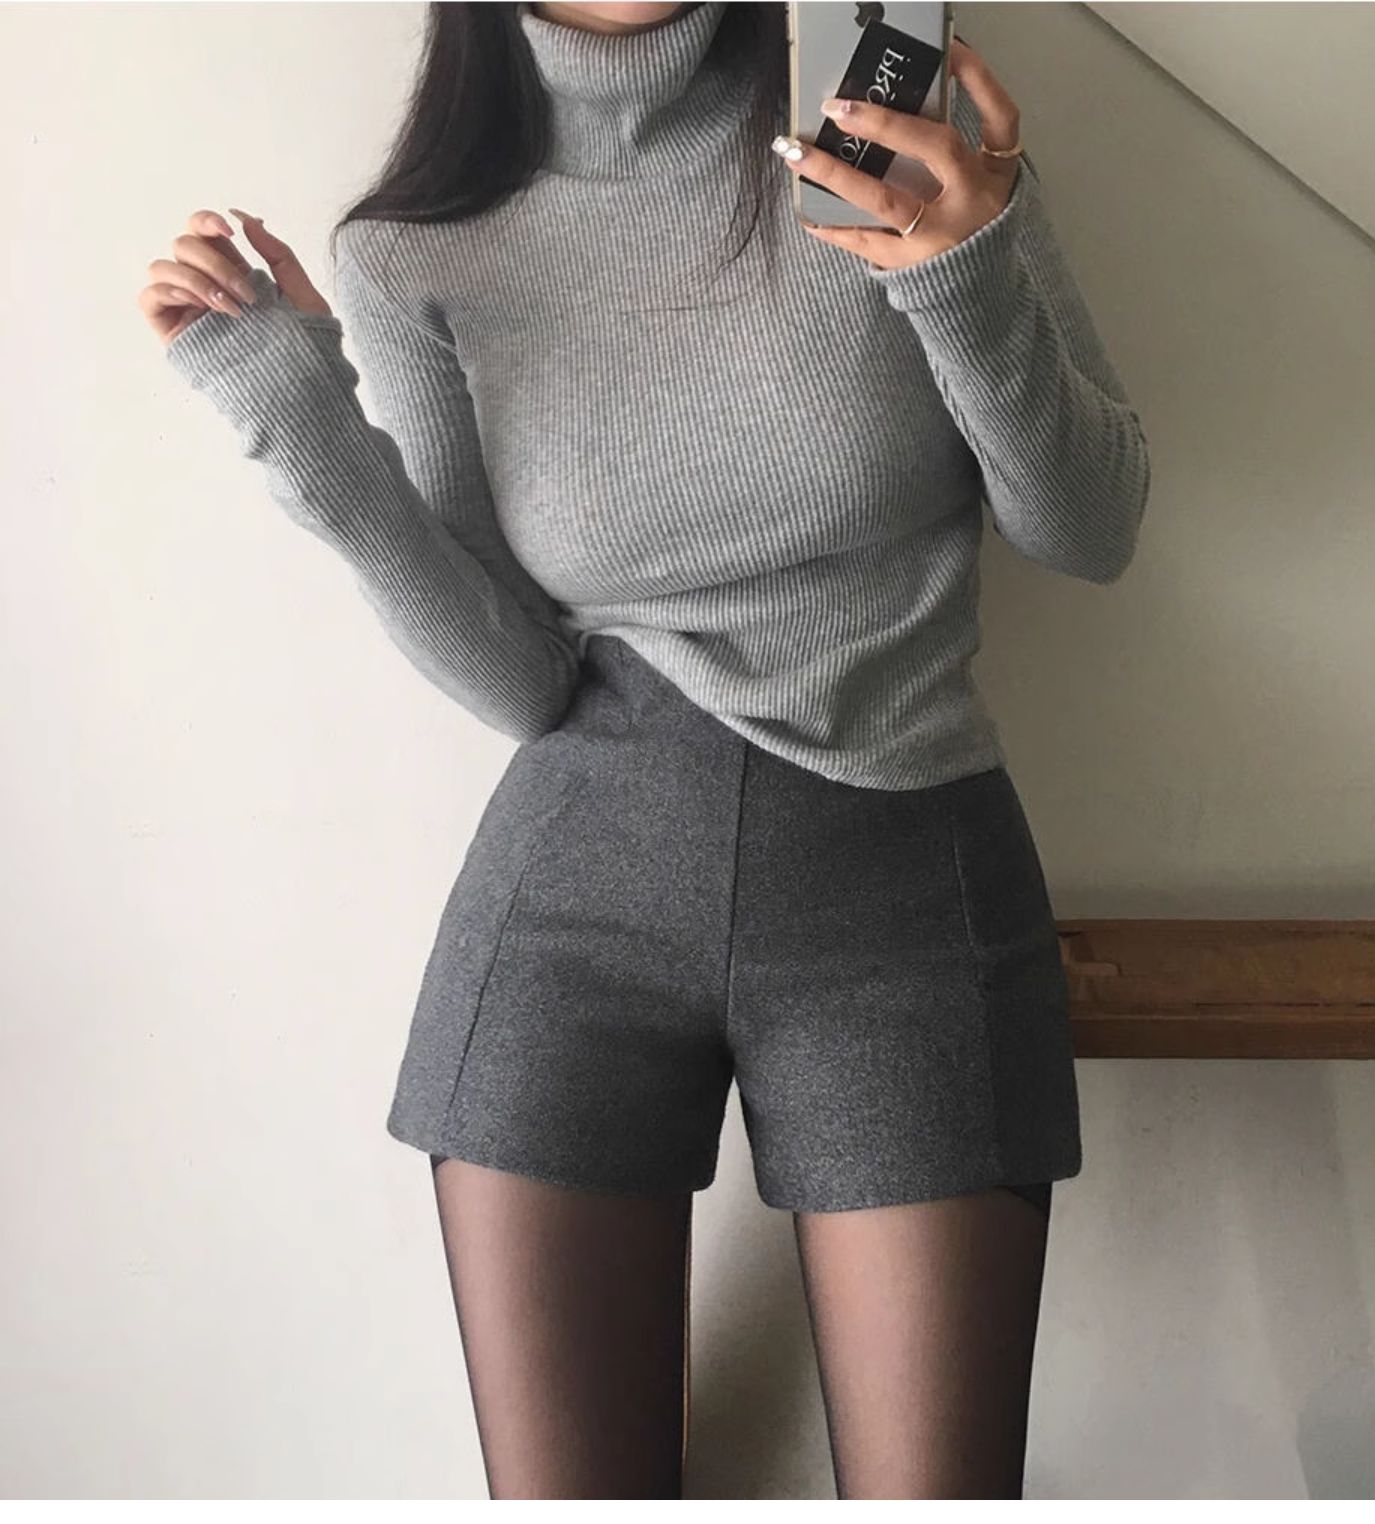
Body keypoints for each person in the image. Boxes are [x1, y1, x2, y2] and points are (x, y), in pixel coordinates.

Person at [138, 0, 1150, 1500]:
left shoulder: (894, 142)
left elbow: (1092, 525)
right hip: (572, 911)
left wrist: (961, 271)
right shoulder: (412, 253)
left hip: (905, 889)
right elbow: (515, 677)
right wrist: (304, 425)